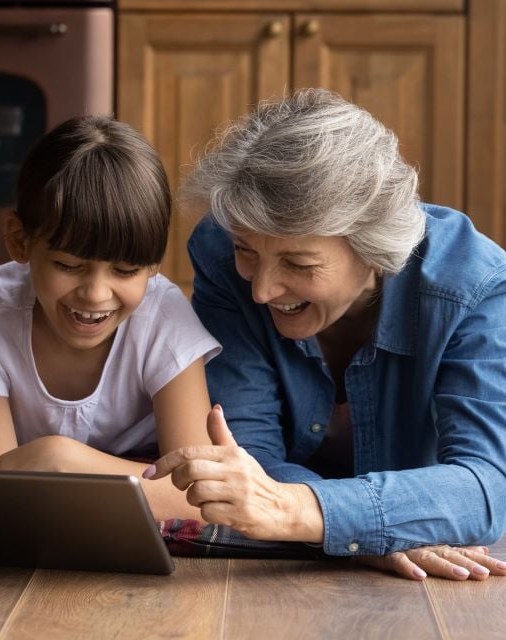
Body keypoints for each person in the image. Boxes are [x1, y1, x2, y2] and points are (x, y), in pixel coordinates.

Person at [143, 88, 506, 581]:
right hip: (295, 570)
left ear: (375, 251)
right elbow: (246, 455)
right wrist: (362, 535)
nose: (262, 291)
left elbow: (485, 489)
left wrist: (303, 513)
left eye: (298, 263)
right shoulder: (220, 254)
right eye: (247, 251)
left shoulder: (475, 285)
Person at [0, 115, 221, 524]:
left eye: (125, 271)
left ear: (152, 265)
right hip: (13, 422)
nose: (97, 294)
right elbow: (1, 483)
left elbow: (198, 496)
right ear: (19, 241)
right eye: (68, 264)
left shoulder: (166, 317)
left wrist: (64, 458)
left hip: (98, 448)